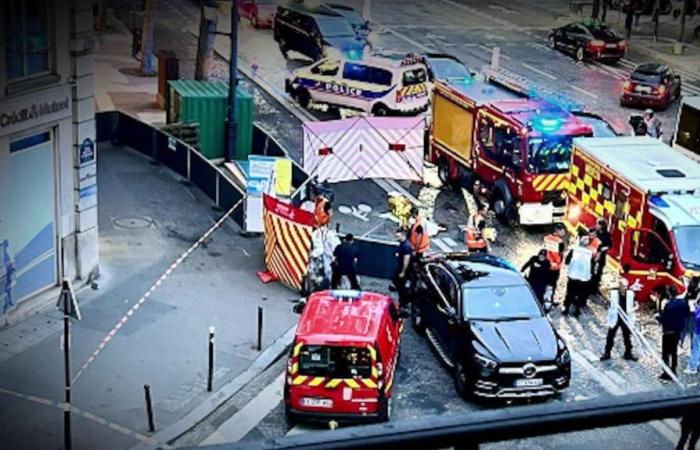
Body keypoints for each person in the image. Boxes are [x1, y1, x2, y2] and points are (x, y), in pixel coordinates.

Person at [600, 277, 638, 361]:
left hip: (626, 317)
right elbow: (602, 290)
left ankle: (628, 353)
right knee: (610, 335)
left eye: (625, 286)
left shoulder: (630, 294)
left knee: (627, 336)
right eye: (622, 286)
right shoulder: (613, 293)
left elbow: (636, 304)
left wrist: (633, 309)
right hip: (615, 317)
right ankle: (607, 352)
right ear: (619, 286)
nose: (624, 288)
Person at [658, 286, 690, 380]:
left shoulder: (668, 305)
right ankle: (674, 369)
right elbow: (687, 313)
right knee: (674, 352)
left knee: (665, 353)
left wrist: (659, 317)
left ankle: (666, 372)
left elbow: (664, 319)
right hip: (678, 331)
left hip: (668, 332)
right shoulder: (683, 302)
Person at [563, 231, 595, 318]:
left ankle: (566, 309)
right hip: (583, 278)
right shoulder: (590, 253)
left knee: (570, 293)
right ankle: (576, 310)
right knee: (579, 294)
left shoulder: (574, 250)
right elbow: (592, 266)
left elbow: (566, 261)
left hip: (573, 275)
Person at [544, 224, 566, 300]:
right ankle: (550, 300)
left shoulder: (546, 238)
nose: (564, 233)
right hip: (555, 267)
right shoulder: (560, 242)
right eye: (563, 231)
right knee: (552, 284)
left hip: (546, 264)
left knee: (545, 282)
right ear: (558, 230)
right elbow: (561, 255)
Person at [393, 229, 414, 311]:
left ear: (402, 235)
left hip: (405, 269)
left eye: (398, 236)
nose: (396, 238)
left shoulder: (406, 246)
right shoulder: (402, 244)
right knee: (399, 284)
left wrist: (403, 272)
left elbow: (406, 260)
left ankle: (404, 302)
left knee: (402, 287)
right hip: (401, 267)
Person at [591, 219, 612, 292]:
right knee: (591, 269)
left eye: (598, 224)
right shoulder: (594, 232)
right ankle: (589, 285)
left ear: (602, 226)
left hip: (602, 255)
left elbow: (609, 245)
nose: (596, 226)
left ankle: (595, 287)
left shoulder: (607, 235)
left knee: (599, 272)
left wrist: (604, 248)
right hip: (593, 254)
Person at [685, 302, 700, 374]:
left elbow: (698, 318)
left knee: (695, 349)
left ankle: (692, 367)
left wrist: (694, 310)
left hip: (698, 331)